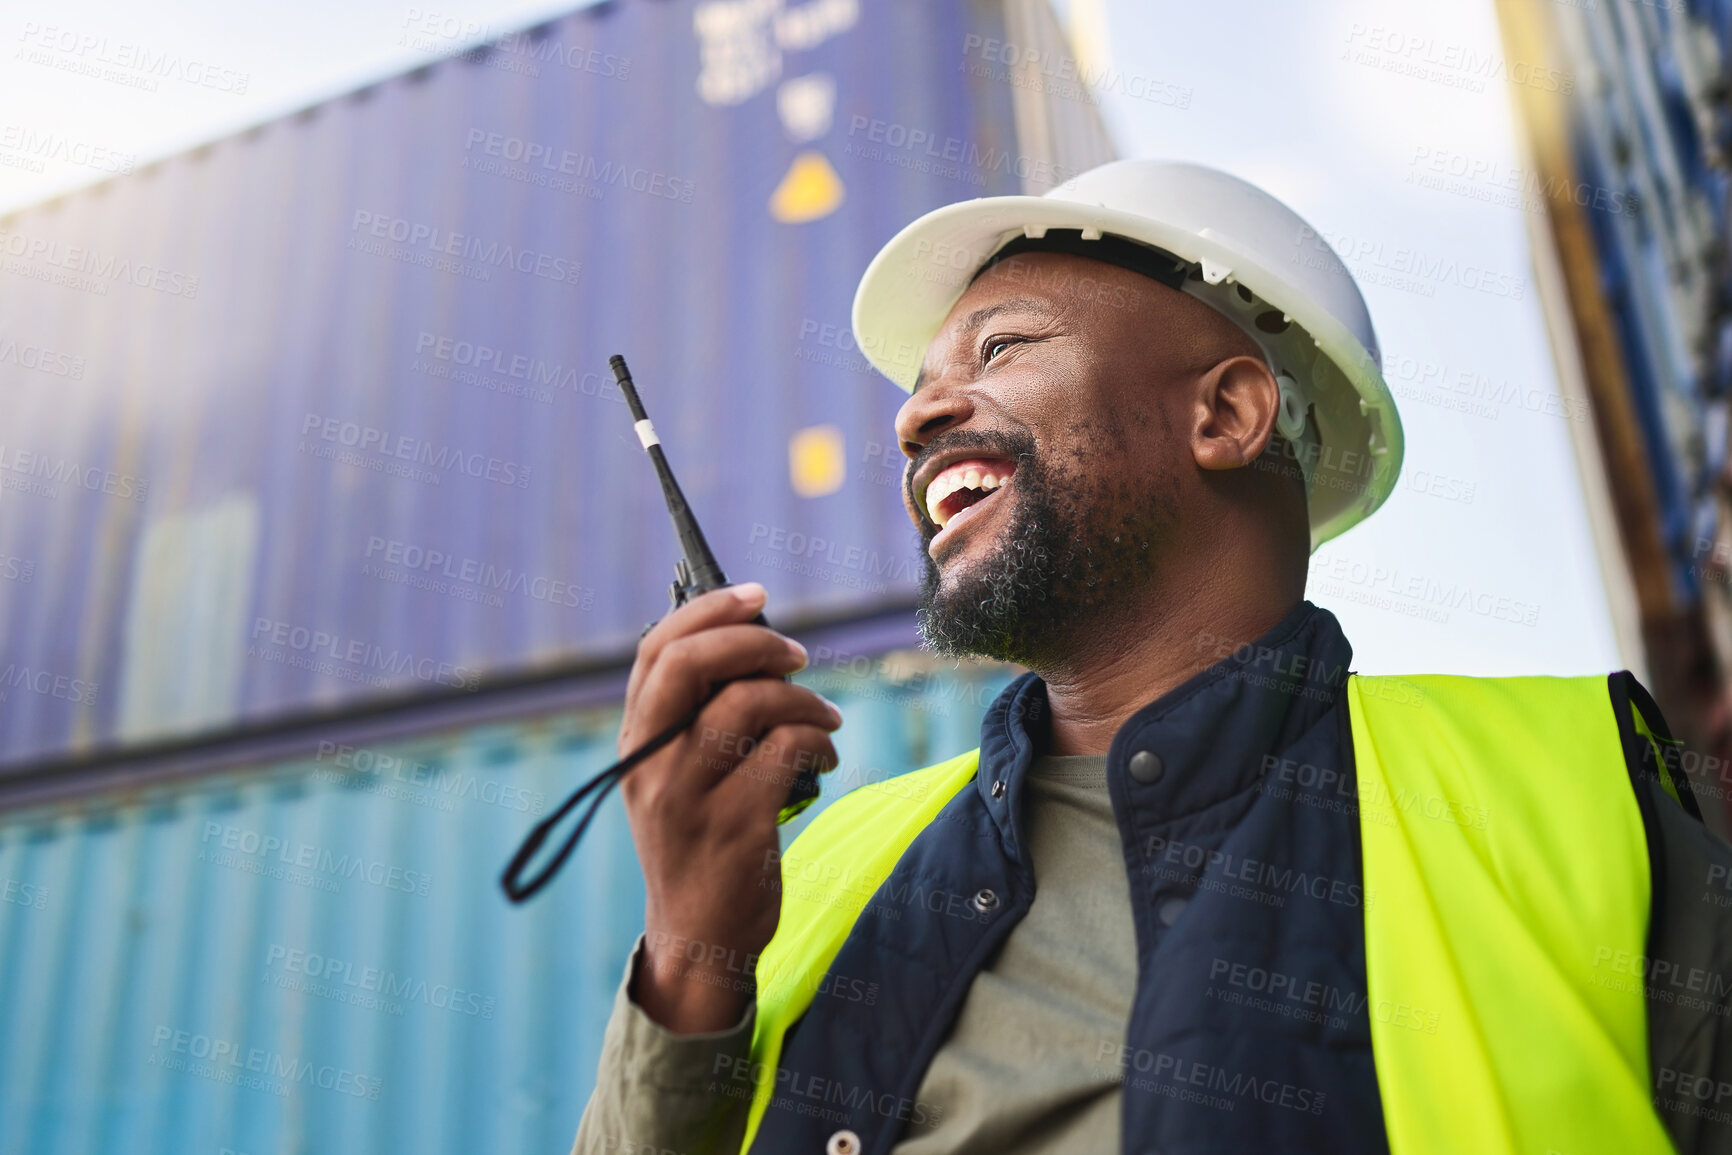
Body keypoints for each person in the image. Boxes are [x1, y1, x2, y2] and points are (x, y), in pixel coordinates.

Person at [572, 159, 1732, 1155]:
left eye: (1002, 347)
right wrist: (690, 950)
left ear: (1226, 415)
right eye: (918, 391)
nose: (914, 419)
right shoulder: (830, 867)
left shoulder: (1578, 790)